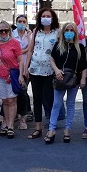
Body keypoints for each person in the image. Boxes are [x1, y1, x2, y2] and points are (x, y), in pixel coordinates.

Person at [46, 22, 87, 144]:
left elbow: (84, 65)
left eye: (71, 30)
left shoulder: (80, 47)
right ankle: (51, 129)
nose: (69, 32)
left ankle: (67, 129)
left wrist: (83, 79)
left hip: (73, 79)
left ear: (75, 32)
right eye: (67, 30)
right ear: (63, 32)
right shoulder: (58, 45)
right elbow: (52, 59)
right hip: (59, 77)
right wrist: (56, 70)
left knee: (70, 104)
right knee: (56, 104)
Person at [22, 8, 59, 139]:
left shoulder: (57, 33)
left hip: (50, 70)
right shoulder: (36, 31)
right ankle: (38, 127)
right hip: (35, 69)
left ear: (53, 18)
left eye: (48, 16)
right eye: (44, 16)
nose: (46, 18)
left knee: (48, 99)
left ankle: (51, 126)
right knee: (37, 99)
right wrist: (26, 68)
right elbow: (30, 50)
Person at [0, 21, 23, 138]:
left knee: (12, 100)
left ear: (9, 31)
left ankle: (10, 126)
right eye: (1, 30)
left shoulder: (15, 43)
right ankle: (5, 125)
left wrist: (21, 75)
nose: (3, 32)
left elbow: (20, 60)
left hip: (11, 75)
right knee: (4, 101)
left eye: (6, 30)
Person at [13, 14, 32, 130]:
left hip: (26, 67)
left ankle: (23, 117)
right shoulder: (12, 34)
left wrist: (29, 37)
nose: (21, 23)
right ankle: (13, 114)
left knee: (23, 92)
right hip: (14, 67)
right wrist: (22, 51)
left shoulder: (28, 35)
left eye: (24, 21)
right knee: (14, 93)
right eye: (19, 21)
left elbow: (31, 48)